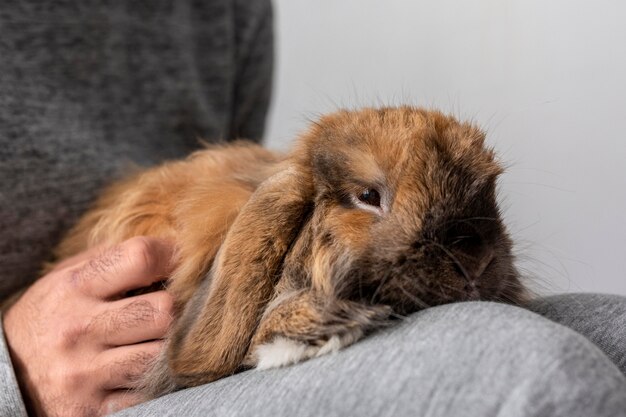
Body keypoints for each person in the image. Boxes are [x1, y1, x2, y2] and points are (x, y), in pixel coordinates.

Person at [1, 2, 625, 417]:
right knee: (532, 371)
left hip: (195, 334)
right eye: (372, 199)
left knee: (612, 334)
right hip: (115, 375)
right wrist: (12, 374)